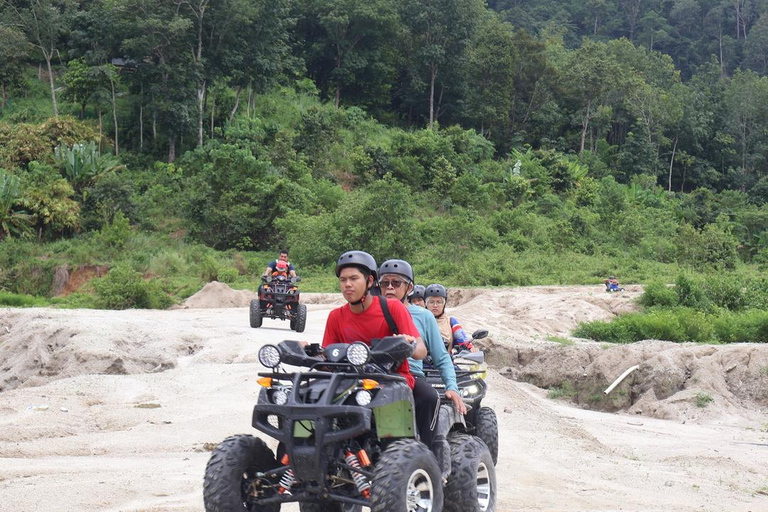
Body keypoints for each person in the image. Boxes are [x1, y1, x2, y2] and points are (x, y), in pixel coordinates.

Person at [378, 260, 466, 430]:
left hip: (412, 375)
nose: (389, 288)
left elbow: (441, 356)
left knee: (429, 398)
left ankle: (427, 450)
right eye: (384, 283)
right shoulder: (370, 311)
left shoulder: (424, 316)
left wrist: (452, 387)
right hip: (375, 375)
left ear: (409, 288)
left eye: (396, 283)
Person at [322, 251, 427, 392]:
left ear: (370, 281)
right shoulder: (335, 316)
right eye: (343, 280)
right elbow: (327, 360)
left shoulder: (393, 308)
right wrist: (307, 351)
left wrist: (409, 345)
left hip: (392, 380)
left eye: (354, 278)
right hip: (348, 381)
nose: (347, 284)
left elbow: (421, 350)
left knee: (428, 397)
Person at [424, 283, 475, 354]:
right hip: (422, 362)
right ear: (426, 304)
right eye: (431, 302)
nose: (435, 305)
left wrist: (469, 347)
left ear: (444, 304)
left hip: (445, 362)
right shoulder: (420, 321)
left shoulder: (451, 322)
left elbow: (462, 339)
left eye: (439, 302)